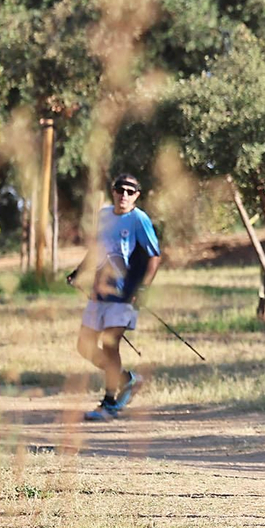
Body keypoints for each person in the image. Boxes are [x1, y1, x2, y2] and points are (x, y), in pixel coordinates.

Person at [69, 173, 162, 422]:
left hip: (125, 295)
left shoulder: (139, 219)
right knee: (84, 346)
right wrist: (79, 272)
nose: (124, 195)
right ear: (113, 191)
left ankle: (109, 403)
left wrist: (143, 289)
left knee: (110, 344)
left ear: (137, 196)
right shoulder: (104, 215)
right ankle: (125, 379)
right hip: (100, 292)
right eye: (121, 190)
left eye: (131, 192)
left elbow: (155, 256)